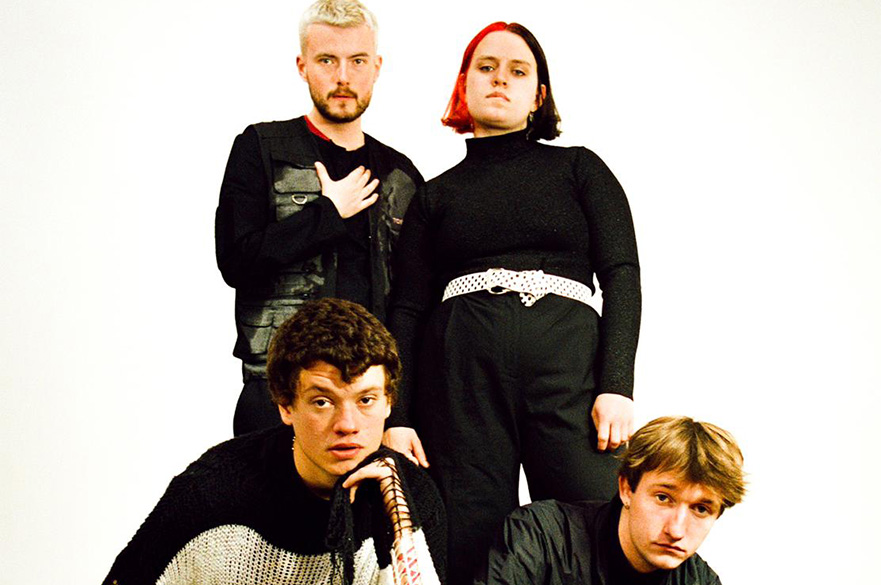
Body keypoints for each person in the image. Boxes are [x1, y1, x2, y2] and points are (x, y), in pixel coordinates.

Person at [384, 21, 641, 583]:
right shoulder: (435, 194)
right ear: (464, 85)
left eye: (518, 71)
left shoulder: (580, 169)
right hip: (459, 382)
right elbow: (406, 308)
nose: (501, 79)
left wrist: (616, 384)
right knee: (469, 533)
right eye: (487, 67)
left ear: (538, 95)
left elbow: (622, 274)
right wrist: (397, 416)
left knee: (596, 523)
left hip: (568, 372)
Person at [102, 298, 446, 585]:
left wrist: (400, 529)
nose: (348, 424)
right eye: (322, 402)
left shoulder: (412, 497)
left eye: (365, 400)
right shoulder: (211, 491)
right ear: (285, 406)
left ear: (389, 403)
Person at [215, 0, 422, 436]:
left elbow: (414, 301)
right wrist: (326, 214)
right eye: (327, 60)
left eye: (357, 61)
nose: (343, 76)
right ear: (302, 65)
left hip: (369, 401)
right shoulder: (260, 148)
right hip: (278, 391)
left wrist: (398, 414)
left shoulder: (401, 175)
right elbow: (236, 261)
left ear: (377, 66)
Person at [474, 416, 747, 585]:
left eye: (700, 509)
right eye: (663, 498)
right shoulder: (540, 536)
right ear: (627, 488)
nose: (676, 530)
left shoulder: (700, 581)